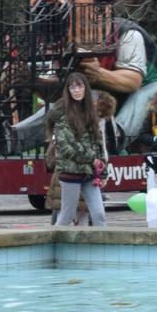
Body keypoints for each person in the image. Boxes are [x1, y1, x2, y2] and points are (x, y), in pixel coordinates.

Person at [48, 72, 107, 227]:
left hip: (89, 172)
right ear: (67, 90)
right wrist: (91, 159)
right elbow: (67, 146)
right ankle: (53, 245)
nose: (76, 90)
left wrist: (103, 170)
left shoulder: (90, 111)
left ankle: (104, 249)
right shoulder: (62, 113)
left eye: (79, 86)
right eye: (72, 87)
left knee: (99, 214)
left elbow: (98, 143)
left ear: (85, 88)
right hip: (70, 172)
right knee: (66, 216)